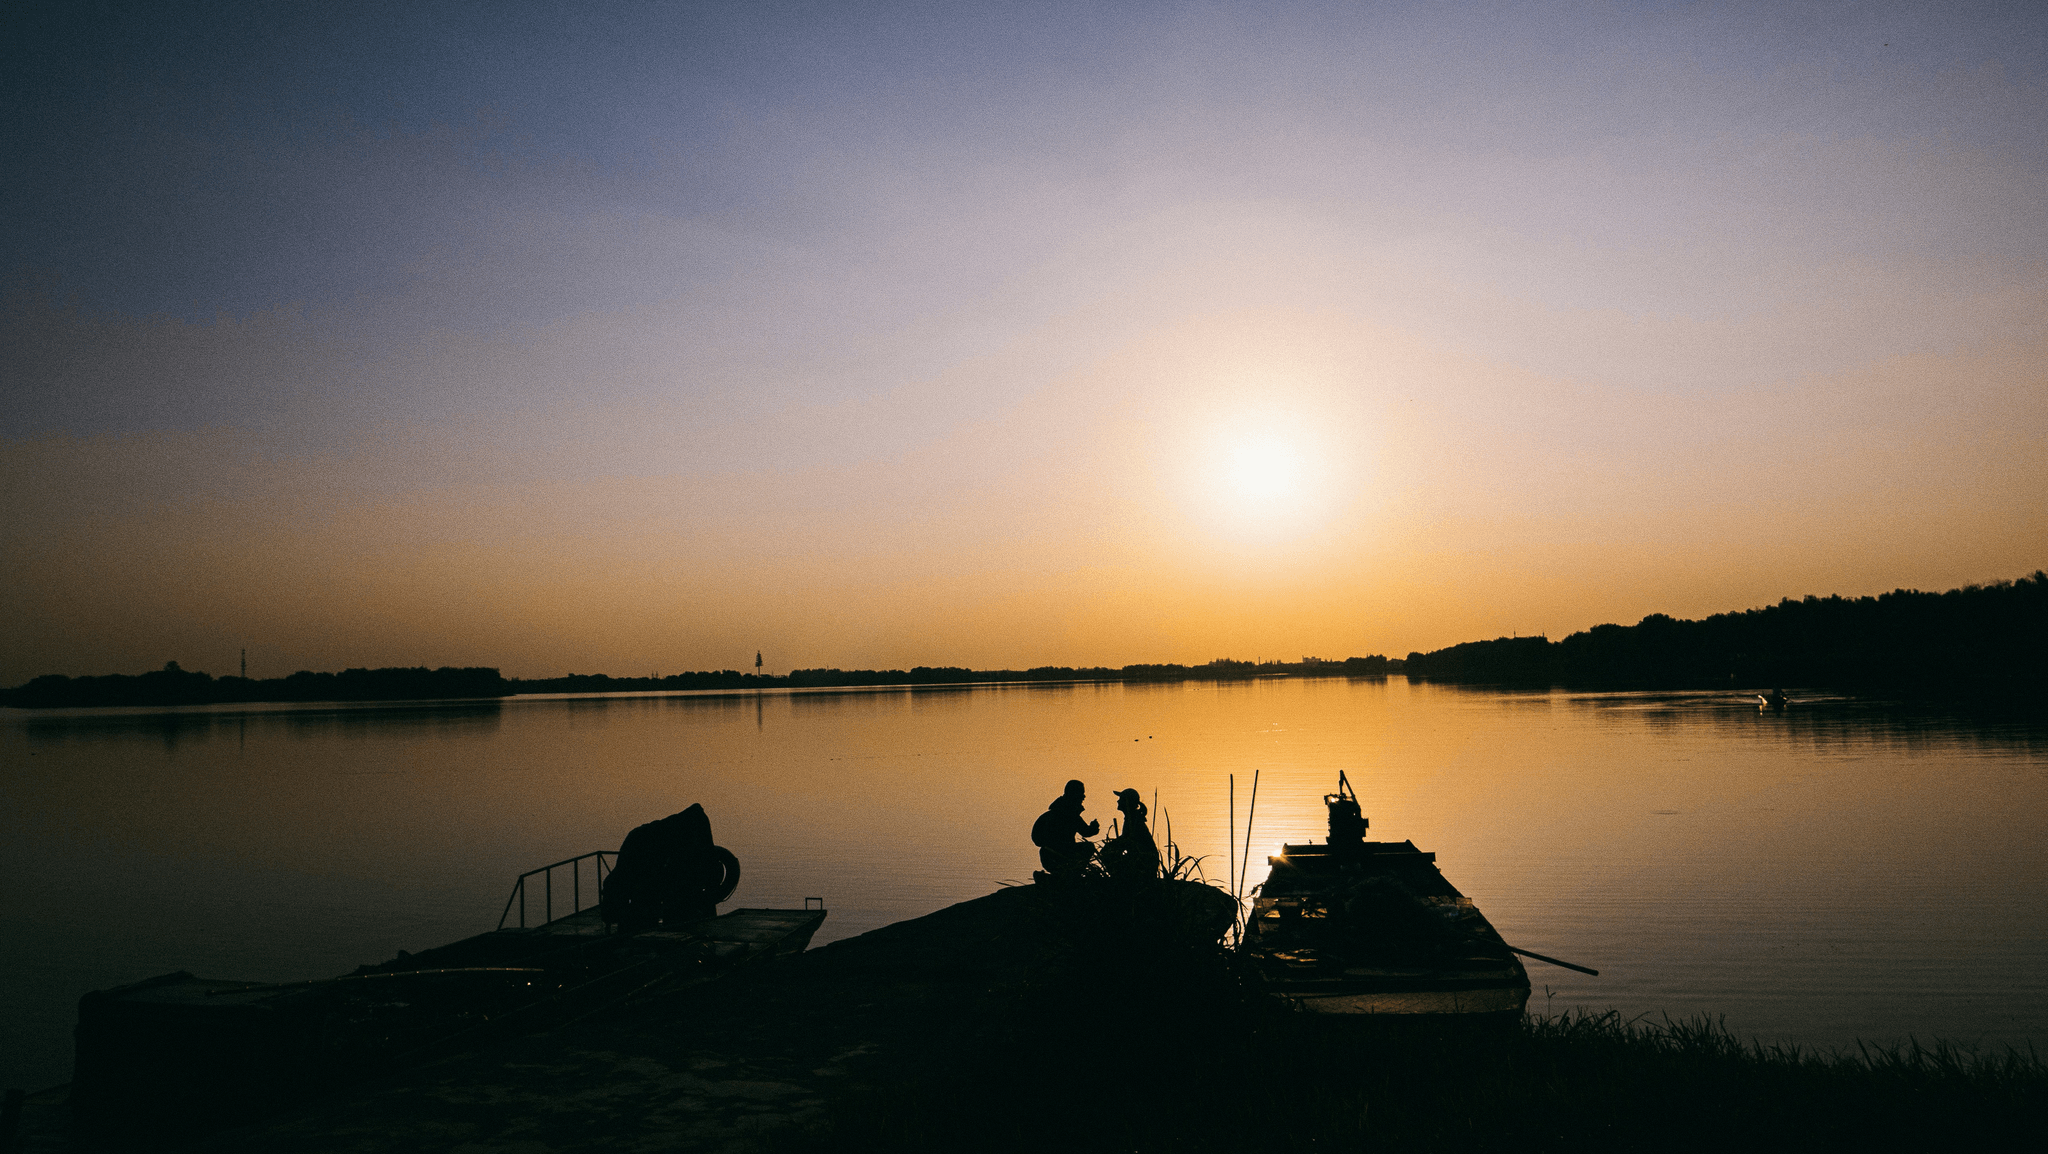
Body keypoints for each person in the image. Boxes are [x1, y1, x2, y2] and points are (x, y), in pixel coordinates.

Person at [1031, 779, 1100, 876]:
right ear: (1074, 795)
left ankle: (1063, 874)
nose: (1083, 797)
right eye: (1081, 793)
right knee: (1088, 847)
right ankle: (1073, 874)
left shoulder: (1049, 815)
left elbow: (1036, 839)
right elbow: (1086, 832)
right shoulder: (1071, 816)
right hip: (1056, 857)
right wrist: (1094, 828)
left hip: (1047, 857)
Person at [1100, 787, 1159, 881]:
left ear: (1127, 802)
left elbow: (1128, 839)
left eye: (1120, 799)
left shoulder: (1133, 820)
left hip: (1145, 861)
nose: (1118, 801)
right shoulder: (1132, 818)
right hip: (1143, 859)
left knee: (1106, 852)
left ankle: (1120, 879)